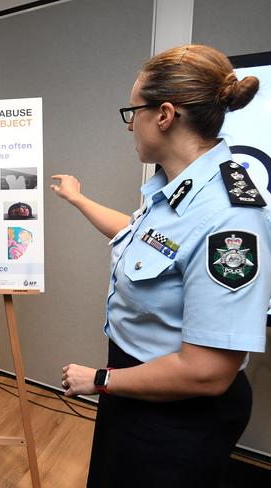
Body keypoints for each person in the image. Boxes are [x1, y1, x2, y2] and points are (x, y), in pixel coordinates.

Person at [51, 44, 270, 487]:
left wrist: (99, 379)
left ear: (165, 114)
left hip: (177, 414)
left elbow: (206, 372)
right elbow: (147, 241)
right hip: (136, 386)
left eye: (133, 111)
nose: (130, 124)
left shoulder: (228, 216)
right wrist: (78, 200)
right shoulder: (174, 188)